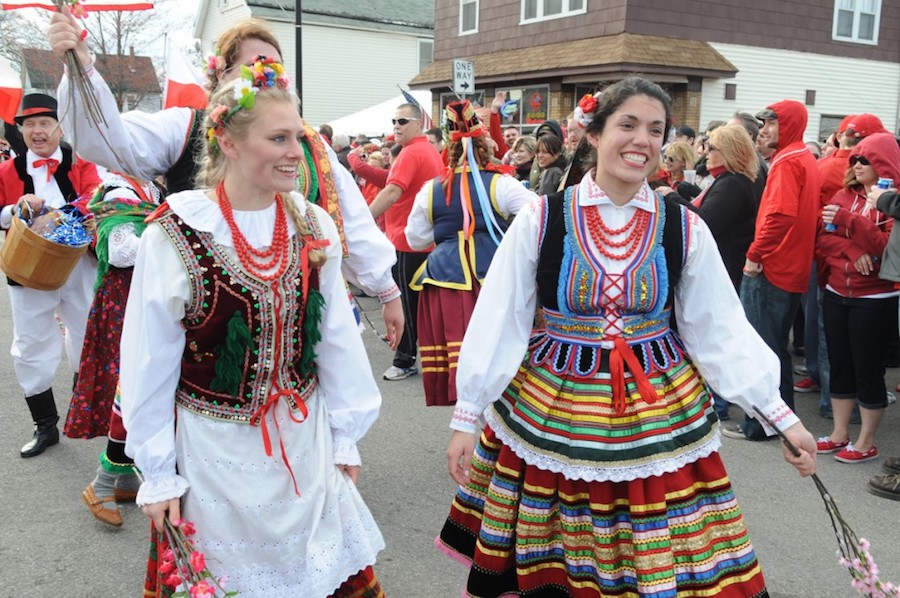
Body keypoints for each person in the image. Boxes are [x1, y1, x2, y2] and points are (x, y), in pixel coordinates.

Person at [437, 76, 816, 597]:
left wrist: (778, 414)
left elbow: (718, 328)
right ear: (594, 133)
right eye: (628, 125)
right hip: (554, 408)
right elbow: (501, 317)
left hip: (657, 407)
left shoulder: (683, 226)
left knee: (659, 549)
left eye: (655, 129)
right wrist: (468, 415)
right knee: (563, 550)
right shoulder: (541, 219)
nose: (642, 139)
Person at [119, 58, 385, 596]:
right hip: (212, 457)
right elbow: (148, 361)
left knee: (314, 572)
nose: (297, 151)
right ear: (231, 144)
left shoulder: (313, 224)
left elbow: (335, 338)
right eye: (279, 138)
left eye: (300, 136)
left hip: (301, 444)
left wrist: (344, 437)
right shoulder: (176, 233)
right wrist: (157, 471)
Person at [48, 10, 405, 349]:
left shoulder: (310, 145)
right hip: (208, 317)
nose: (266, 78)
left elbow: (351, 219)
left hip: (295, 310)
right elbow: (108, 141)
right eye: (254, 67)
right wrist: (81, 68)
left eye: (275, 69)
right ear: (221, 77)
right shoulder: (185, 127)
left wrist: (386, 290)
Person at [405, 100, 536, 407]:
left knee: (458, 349)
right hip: (493, 276)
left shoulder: (431, 189)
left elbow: (415, 238)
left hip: (445, 277)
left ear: (448, 151)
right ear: (486, 148)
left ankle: (465, 412)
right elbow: (537, 215)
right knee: (499, 347)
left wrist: (446, 232)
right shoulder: (503, 185)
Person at [0, 93, 101, 458]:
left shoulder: (81, 162)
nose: (37, 131)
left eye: (45, 123)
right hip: (27, 268)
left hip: (78, 263)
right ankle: (44, 425)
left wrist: (62, 215)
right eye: (29, 125)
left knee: (88, 331)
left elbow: (97, 196)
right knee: (30, 343)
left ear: (59, 127)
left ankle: (81, 407)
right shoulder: (8, 171)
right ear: (21, 131)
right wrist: (15, 209)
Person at [63, 171, 162, 526]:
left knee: (136, 389)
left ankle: (121, 479)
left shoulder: (146, 185)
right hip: (127, 305)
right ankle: (102, 484)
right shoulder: (121, 188)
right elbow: (120, 251)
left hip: (138, 301)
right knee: (134, 390)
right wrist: (170, 242)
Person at [724, 100, 820, 441]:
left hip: (773, 269)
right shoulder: (802, 158)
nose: (764, 128)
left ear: (790, 125)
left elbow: (780, 215)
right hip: (790, 268)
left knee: (761, 350)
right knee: (775, 349)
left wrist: (755, 253)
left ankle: (761, 424)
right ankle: (779, 420)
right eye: (763, 122)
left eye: (772, 122)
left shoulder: (787, 162)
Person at [815, 132, 900, 465]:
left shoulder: (891, 201)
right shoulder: (842, 193)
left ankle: (867, 441)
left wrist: (848, 223)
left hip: (875, 297)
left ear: (884, 163)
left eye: (867, 159)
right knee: (840, 364)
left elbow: (885, 248)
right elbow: (823, 240)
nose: (858, 164)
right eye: (856, 158)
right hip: (838, 291)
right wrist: (851, 251)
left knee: (867, 367)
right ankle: (839, 433)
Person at [369, 102, 444, 380]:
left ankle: (404, 359)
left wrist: (362, 222)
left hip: (407, 241)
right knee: (419, 305)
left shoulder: (412, 152)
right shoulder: (428, 150)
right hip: (423, 241)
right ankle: (418, 357)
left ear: (417, 123)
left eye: (402, 121)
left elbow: (392, 191)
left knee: (406, 305)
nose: (396, 127)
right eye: (393, 121)